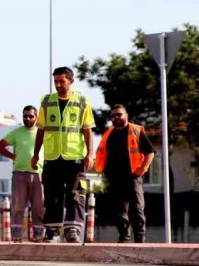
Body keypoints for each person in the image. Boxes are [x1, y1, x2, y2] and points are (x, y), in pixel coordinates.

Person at [31, 66, 95, 243]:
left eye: (62, 81)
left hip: (75, 157)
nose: (58, 85)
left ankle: (72, 230)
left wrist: (90, 154)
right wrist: (36, 154)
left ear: (71, 81)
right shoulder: (46, 101)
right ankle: (52, 231)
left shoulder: (82, 101)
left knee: (75, 194)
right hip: (52, 158)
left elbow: (87, 130)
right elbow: (41, 130)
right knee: (52, 196)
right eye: (56, 81)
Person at [94, 104, 155, 243]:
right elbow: (102, 153)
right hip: (115, 177)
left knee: (137, 208)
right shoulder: (109, 133)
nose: (116, 117)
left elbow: (150, 152)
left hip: (133, 175)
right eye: (113, 115)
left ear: (126, 115)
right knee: (119, 210)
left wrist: (143, 169)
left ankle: (140, 238)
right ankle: (124, 237)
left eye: (119, 114)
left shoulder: (135, 130)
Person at [0, 105, 45, 242]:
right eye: (25, 116)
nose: (27, 118)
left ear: (36, 117)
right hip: (19, 174)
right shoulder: (16, 133)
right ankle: (17, 236)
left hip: (38, 174)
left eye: (30, 116)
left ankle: (39, 235)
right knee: (18, 205)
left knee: (39, 206)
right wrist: (13, 156)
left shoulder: (42, 133)